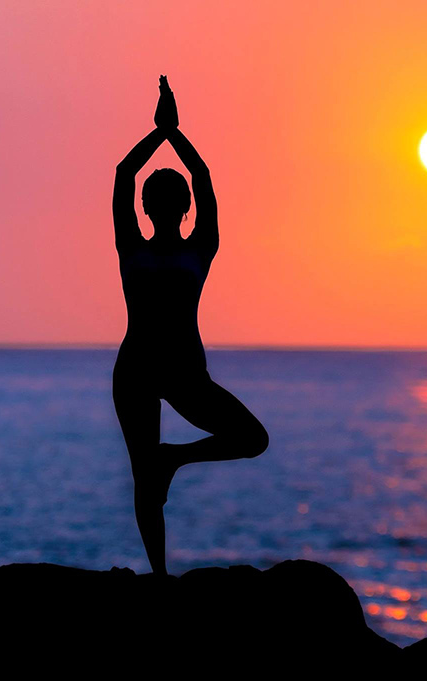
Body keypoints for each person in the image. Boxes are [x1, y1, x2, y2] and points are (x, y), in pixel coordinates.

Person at [112, 75, 269, 575]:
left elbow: (128, 173)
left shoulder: (172, 248)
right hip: (143, 370)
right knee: (147, 472)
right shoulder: (181, 249)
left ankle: (172, 461)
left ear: (170, 207)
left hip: (176, 372)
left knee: (245, 439)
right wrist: (171, 132)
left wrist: (162, 132)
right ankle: (159, 575)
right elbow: (191, 177)